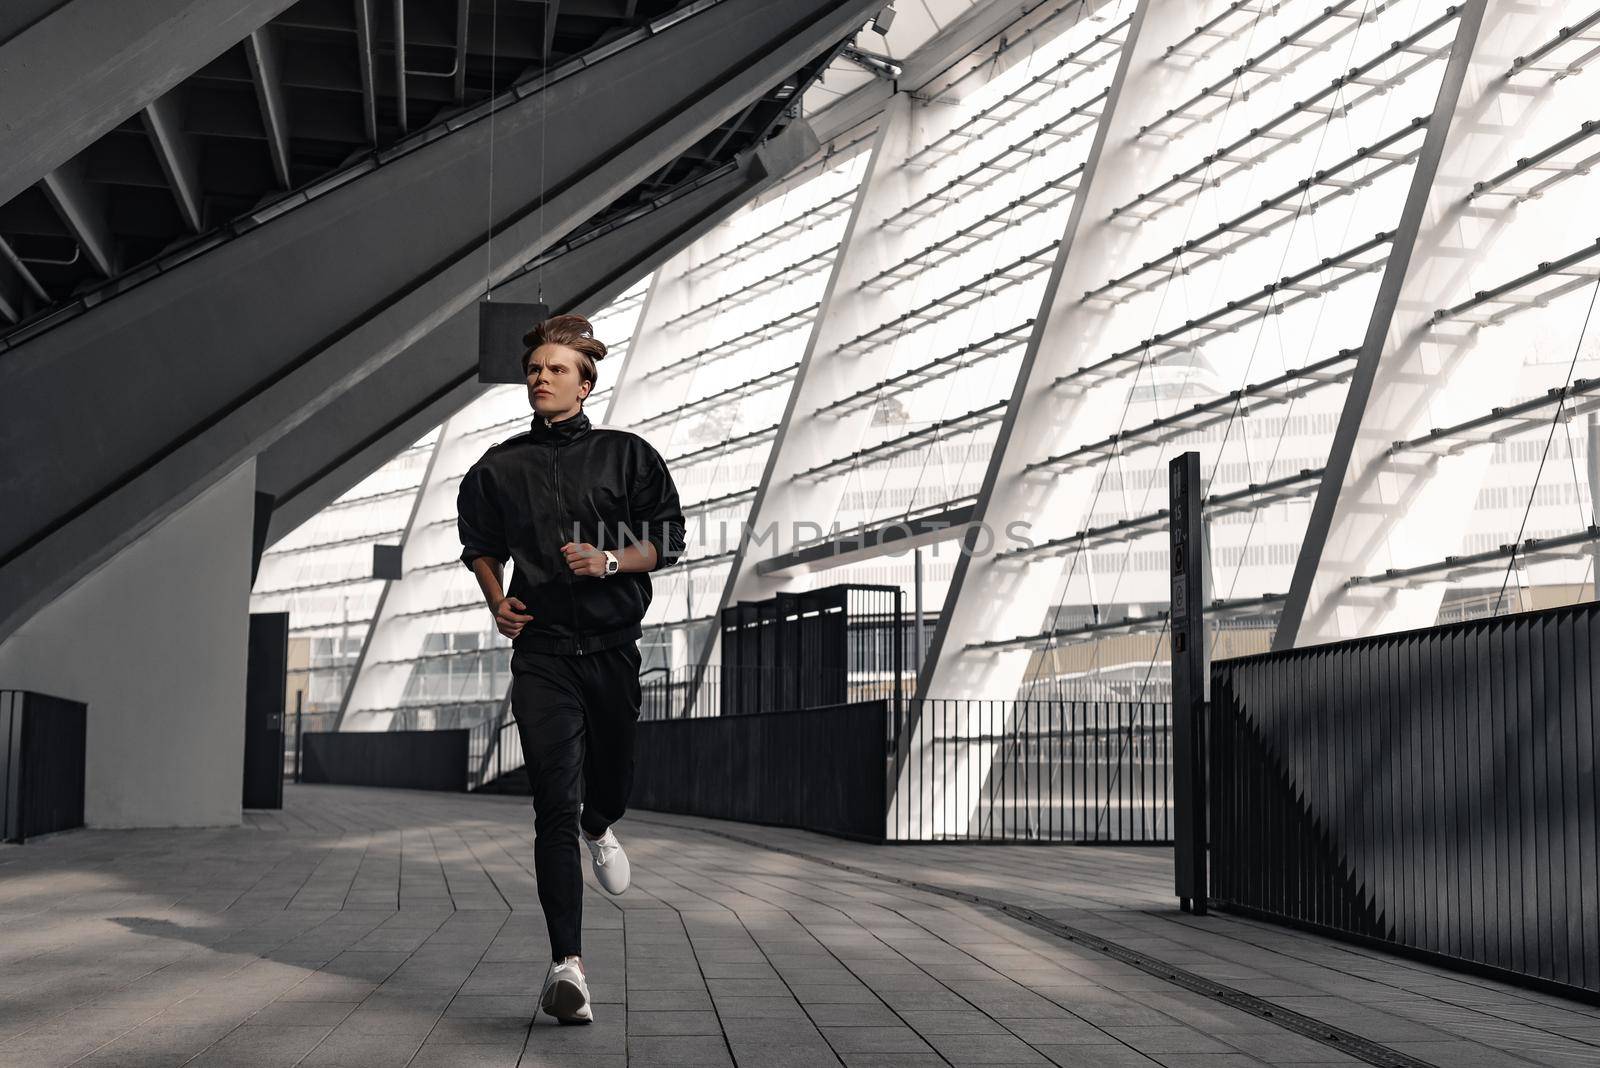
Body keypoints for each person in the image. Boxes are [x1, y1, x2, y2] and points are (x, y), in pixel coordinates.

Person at [456, 313, 686, 1025]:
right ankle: (568, 967)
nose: (539, 378)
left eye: (555, 369)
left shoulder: (628, 457)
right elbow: (480, 547)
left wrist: (612, 560)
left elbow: (668, 539)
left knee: (609, 783)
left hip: (614, 649)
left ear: (585, 383)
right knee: (549, 802)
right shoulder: (498, 467)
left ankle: (603, 822)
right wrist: (498, 602)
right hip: (544, 655)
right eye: (534, 369)